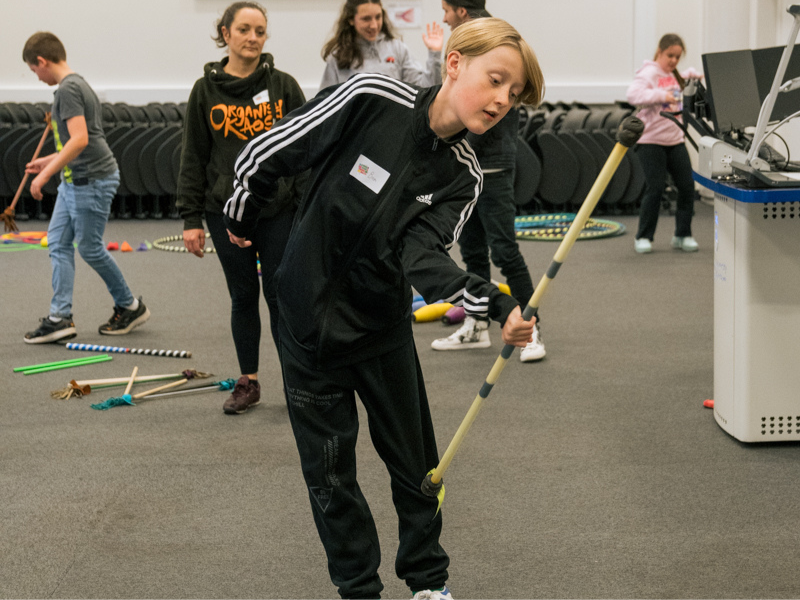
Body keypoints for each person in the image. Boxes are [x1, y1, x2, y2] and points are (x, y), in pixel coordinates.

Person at [226, 17, 544, 599]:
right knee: (329, 476)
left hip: (380, 331)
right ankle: (359, 591)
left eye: (514, 93)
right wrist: (240, 215)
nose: (502, 100)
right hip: (304, 329)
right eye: (496, 79)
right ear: (454, 63)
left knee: (418, 468)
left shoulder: (461, 177)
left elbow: (419, 254)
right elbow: (271, 150)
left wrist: (496, 302)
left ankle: (427, 584)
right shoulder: (371, 96)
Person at [176, 1, 306, 415]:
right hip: (224, 210)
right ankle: (247, 381)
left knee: (281, 295)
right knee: (243, 295)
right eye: (245, 29)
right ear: (226, 33)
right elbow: (193, 156)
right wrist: (190, 218)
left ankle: (297, 382)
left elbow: (306, 150)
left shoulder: (284, 86)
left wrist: (304, 207)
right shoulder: (205, 91)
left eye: (260, 31)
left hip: (278, 210)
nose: (253, 38)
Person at [431, 0, 545, 362]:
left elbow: (483, 112)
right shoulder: (463, 46)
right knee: (472, 251)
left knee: (505, 250)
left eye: (446, 9)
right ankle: (477, 325)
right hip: (463, 169)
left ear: (461, 10)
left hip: (491, 166)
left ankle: (530, 330)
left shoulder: (498, 44)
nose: (443, 16)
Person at [21, 32, 150, 344]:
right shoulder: (77, 85)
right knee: (58, 242)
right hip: (74, 178)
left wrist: (44, 175)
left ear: (42, 61)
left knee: (89, 247)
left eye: (33, 70)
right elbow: (84, 139)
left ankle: (130, 306)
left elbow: (80, 140)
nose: (36, 77)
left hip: (91, 180)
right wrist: (50, 161)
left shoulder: (68, 89)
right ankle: (59, 317)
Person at [627, 33, 702, 254]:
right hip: (650, 141)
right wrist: (661, 95)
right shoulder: (649, 73)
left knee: (687, 187)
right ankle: (643, 237)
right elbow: (633, 95)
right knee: (656, 188)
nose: (673, 61)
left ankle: (682, 235)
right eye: (670, 55)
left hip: (675, 140)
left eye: (678, 57)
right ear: (660, 51)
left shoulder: (677, 74)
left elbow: (693, 75)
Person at [320, 0, 444, 89]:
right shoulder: (338, 57)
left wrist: (434, 55)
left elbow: (426, 88)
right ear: (351, 20)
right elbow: (324, 103)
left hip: (394, 123)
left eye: (378, 17)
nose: (373, 25)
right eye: (366, 19)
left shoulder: (397, 49)